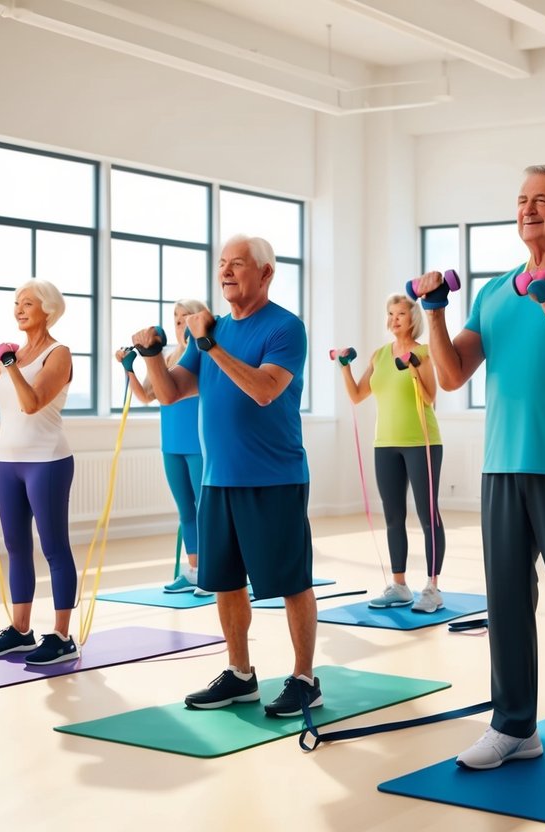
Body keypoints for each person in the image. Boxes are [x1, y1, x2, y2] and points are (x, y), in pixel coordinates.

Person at [420, 164, 545, 789]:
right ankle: (515, 727)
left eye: (543, 200)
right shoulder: (492, 293)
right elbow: (452, 375)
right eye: (521, 201)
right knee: (506, 605)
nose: (529, 209)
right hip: (502, 465)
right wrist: (434, 312)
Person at [134, 234, 321, 714]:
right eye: (222, 264)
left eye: (239, 264)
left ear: (266, 273)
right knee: (226, 581)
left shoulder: (285, 328)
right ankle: (240, 673)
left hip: (274, 477)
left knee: (292, 580)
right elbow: (173, 391)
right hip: (219, 479)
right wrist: (154, 355)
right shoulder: (212, 331)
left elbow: (264, 390)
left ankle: (304, 678)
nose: (227, 272)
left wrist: (211, 344)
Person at [0, 279, 80, 666]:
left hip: (48, 462)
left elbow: (32, 403)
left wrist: (10, 366)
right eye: (16, 303)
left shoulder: (58, 354)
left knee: (54, 547)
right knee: (16, 547)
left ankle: (61, 636)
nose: (19, 309)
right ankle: (21, 630)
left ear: (48, 309)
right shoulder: (11, 355)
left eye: (28, 303)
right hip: (8, 464)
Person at [336, 294, 446, 613]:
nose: (394, 318)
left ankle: (432, 588)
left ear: (413, 318)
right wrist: (344, 367)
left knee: (427, 515)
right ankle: (399, 585)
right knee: (393, 516)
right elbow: (358, 395)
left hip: (421, 441)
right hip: (385, 444)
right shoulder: (380, 355)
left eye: (400, 313)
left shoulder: (424, 353)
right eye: (390, 313)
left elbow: (429, 398)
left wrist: (412, 368)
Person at [115, 299, 210, 597]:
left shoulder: (201, 357)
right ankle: (194, 572)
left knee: (204, 509)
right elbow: (145, 396)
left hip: (197, 443)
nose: (180, 321)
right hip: (171, 444)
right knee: (185, 510)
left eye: (186, 316)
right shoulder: (165, 358)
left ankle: (213, 573)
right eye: (176, 317)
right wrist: (129, 368)